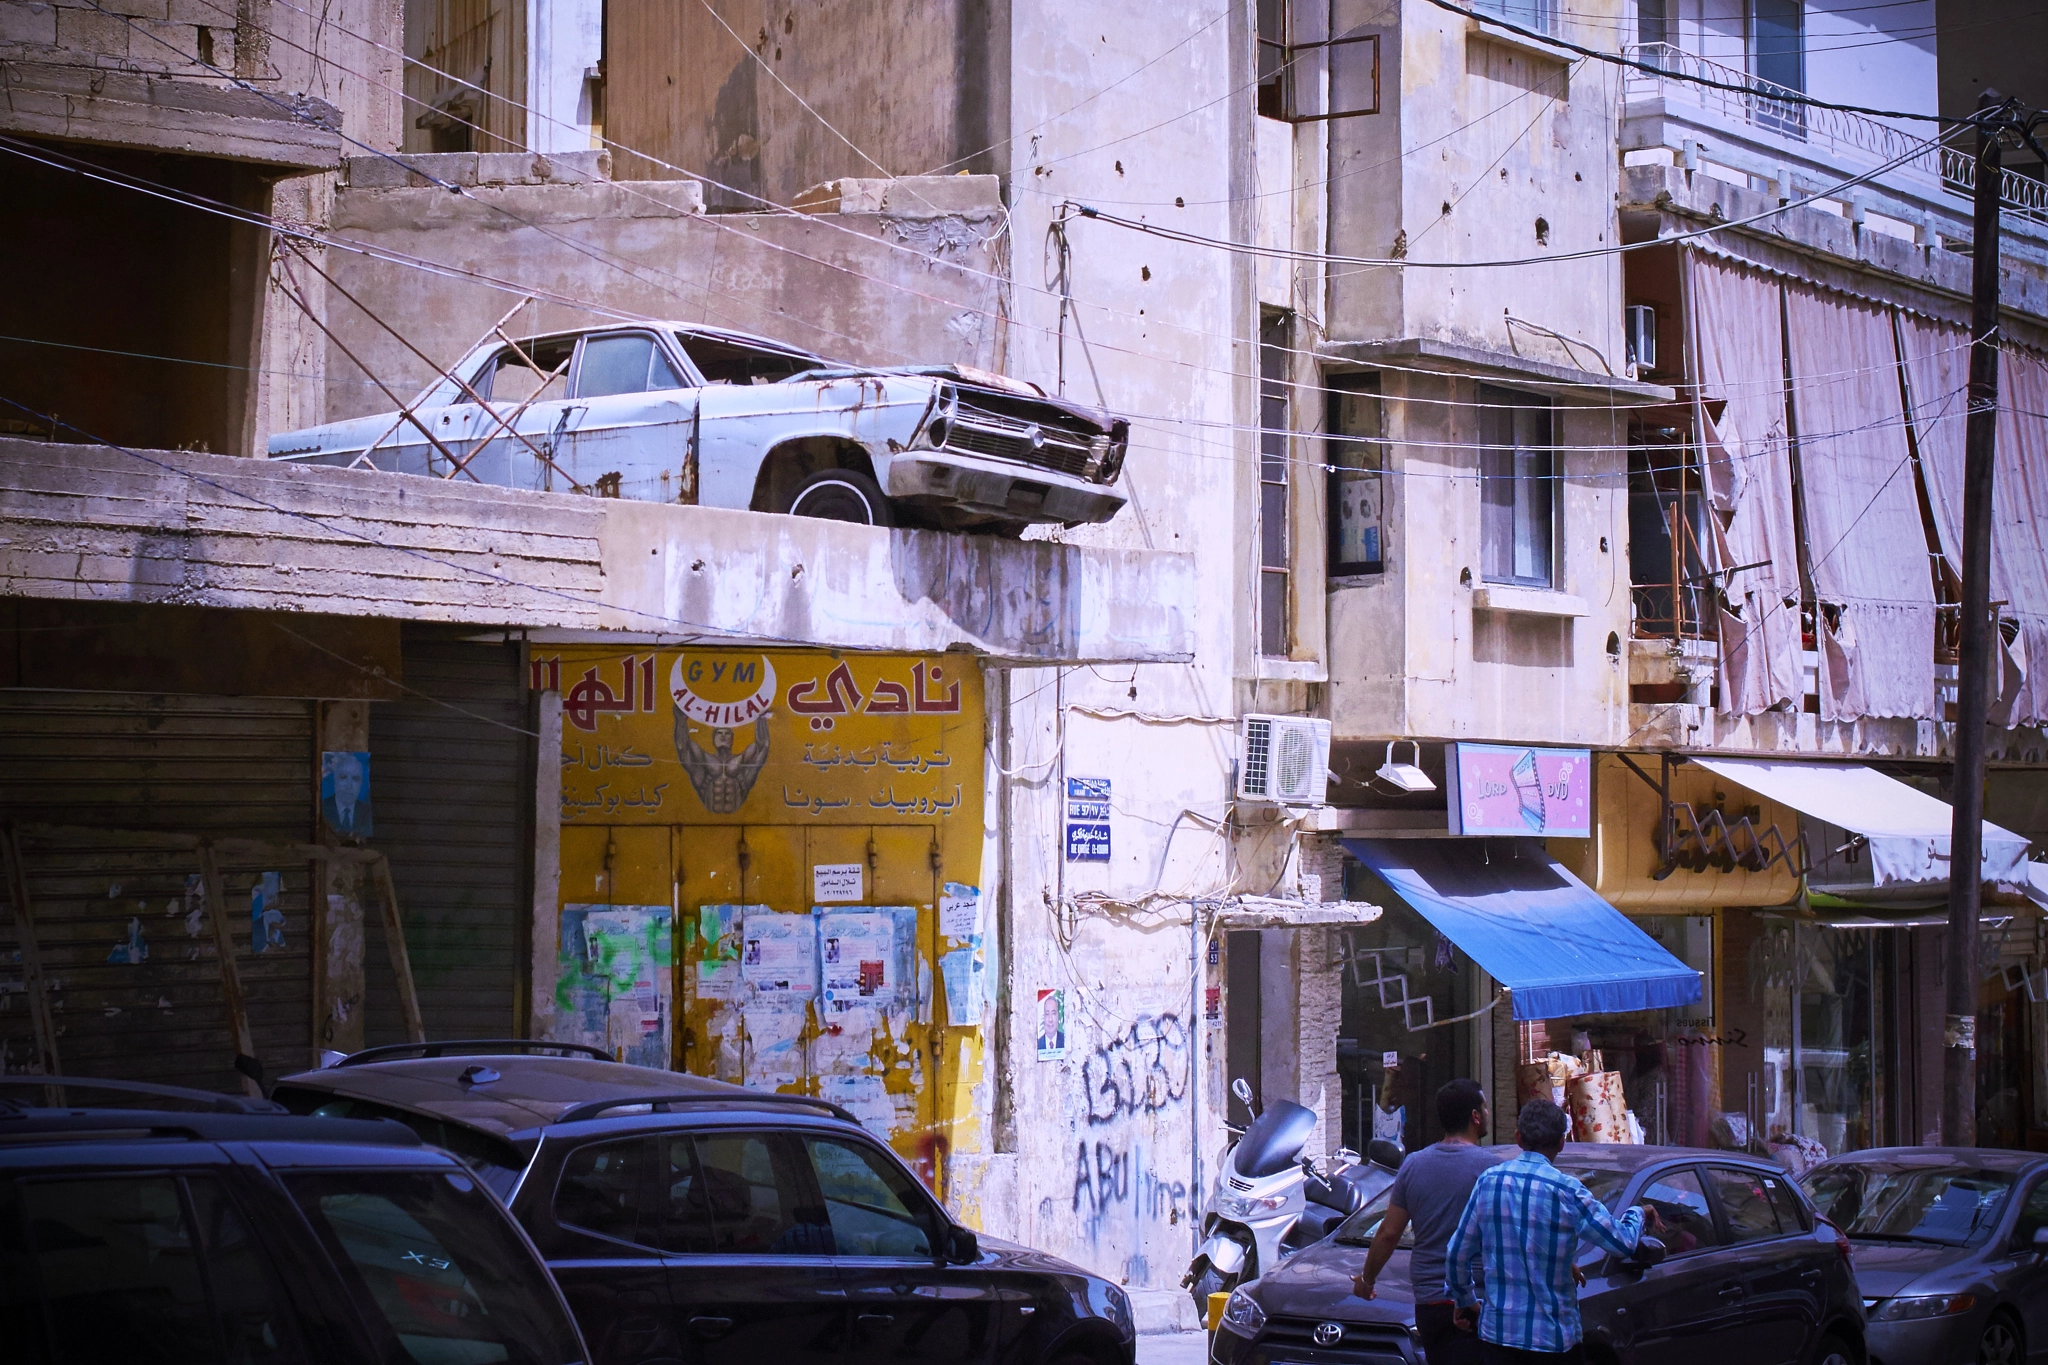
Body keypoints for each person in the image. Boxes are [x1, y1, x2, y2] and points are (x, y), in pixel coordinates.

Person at [1445, 1099, 1660, 1365]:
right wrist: (1638, 1213)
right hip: (1553, 1342)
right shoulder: (1568, 1191)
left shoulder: (1489, 1182)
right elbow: (1622, 1243)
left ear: (1518, 1138)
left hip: (1498, 1338)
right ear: (1561, 1142)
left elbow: (1456, 1254)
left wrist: (1465, 1300)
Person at [1354, 1079, 1500, 1365]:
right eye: (1485, 1106)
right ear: (1475, 1116)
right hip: (1477, 1300)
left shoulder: (1414, 1164)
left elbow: (1388, 1233)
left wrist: (1366, 1280)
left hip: (1429, 1303)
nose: (1487, 1112)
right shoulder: (1491, 1170)